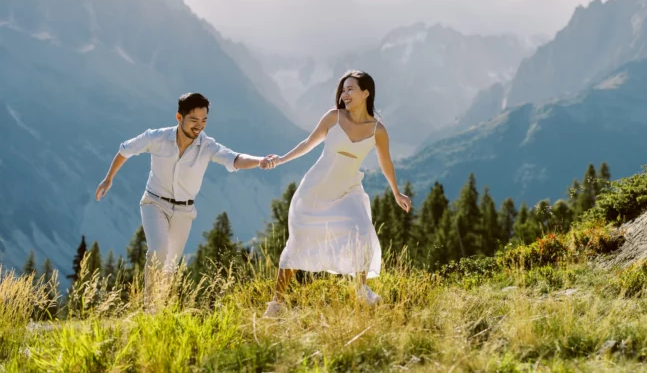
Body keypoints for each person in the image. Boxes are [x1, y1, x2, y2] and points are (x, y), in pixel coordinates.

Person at [95, 92, 268, 309]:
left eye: (204, 120)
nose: (199, 126)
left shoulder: (207, 146)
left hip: (184, 212)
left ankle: (160, 312)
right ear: (179, 117)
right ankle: (150, 310)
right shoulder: (156, 137)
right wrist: (108, 178)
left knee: (169, 268)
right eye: (194, 120)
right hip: (154, 203)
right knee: (157, 251)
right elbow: (125, 150)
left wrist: (260, 161)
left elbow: (234, 158)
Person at [260, 70, 411, 318]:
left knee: (362, 231)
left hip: (348, 190)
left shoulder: (378, 130)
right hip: (316, 191)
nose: (344, 94)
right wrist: (281, 160)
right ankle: (277, 303)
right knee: (298, 244)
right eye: (343, 90)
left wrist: (396, 192)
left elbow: (386, 162)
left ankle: (362, 288)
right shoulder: (334, 117)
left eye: (350, 89)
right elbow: (308, 143)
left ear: (366, 92)